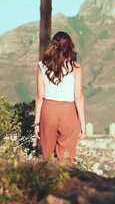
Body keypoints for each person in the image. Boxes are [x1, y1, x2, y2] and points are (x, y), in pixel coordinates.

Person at [34, 31, 86, 160]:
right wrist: (82, 124)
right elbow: (78, 97)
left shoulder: (42, 66)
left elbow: (40, 96)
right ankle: (64, 180)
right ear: (70, 46)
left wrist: (37, 122)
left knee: (46, 157)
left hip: (48, 110)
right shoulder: (75, 67)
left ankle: (47, 179)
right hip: (68, 112)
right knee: (66, 159)